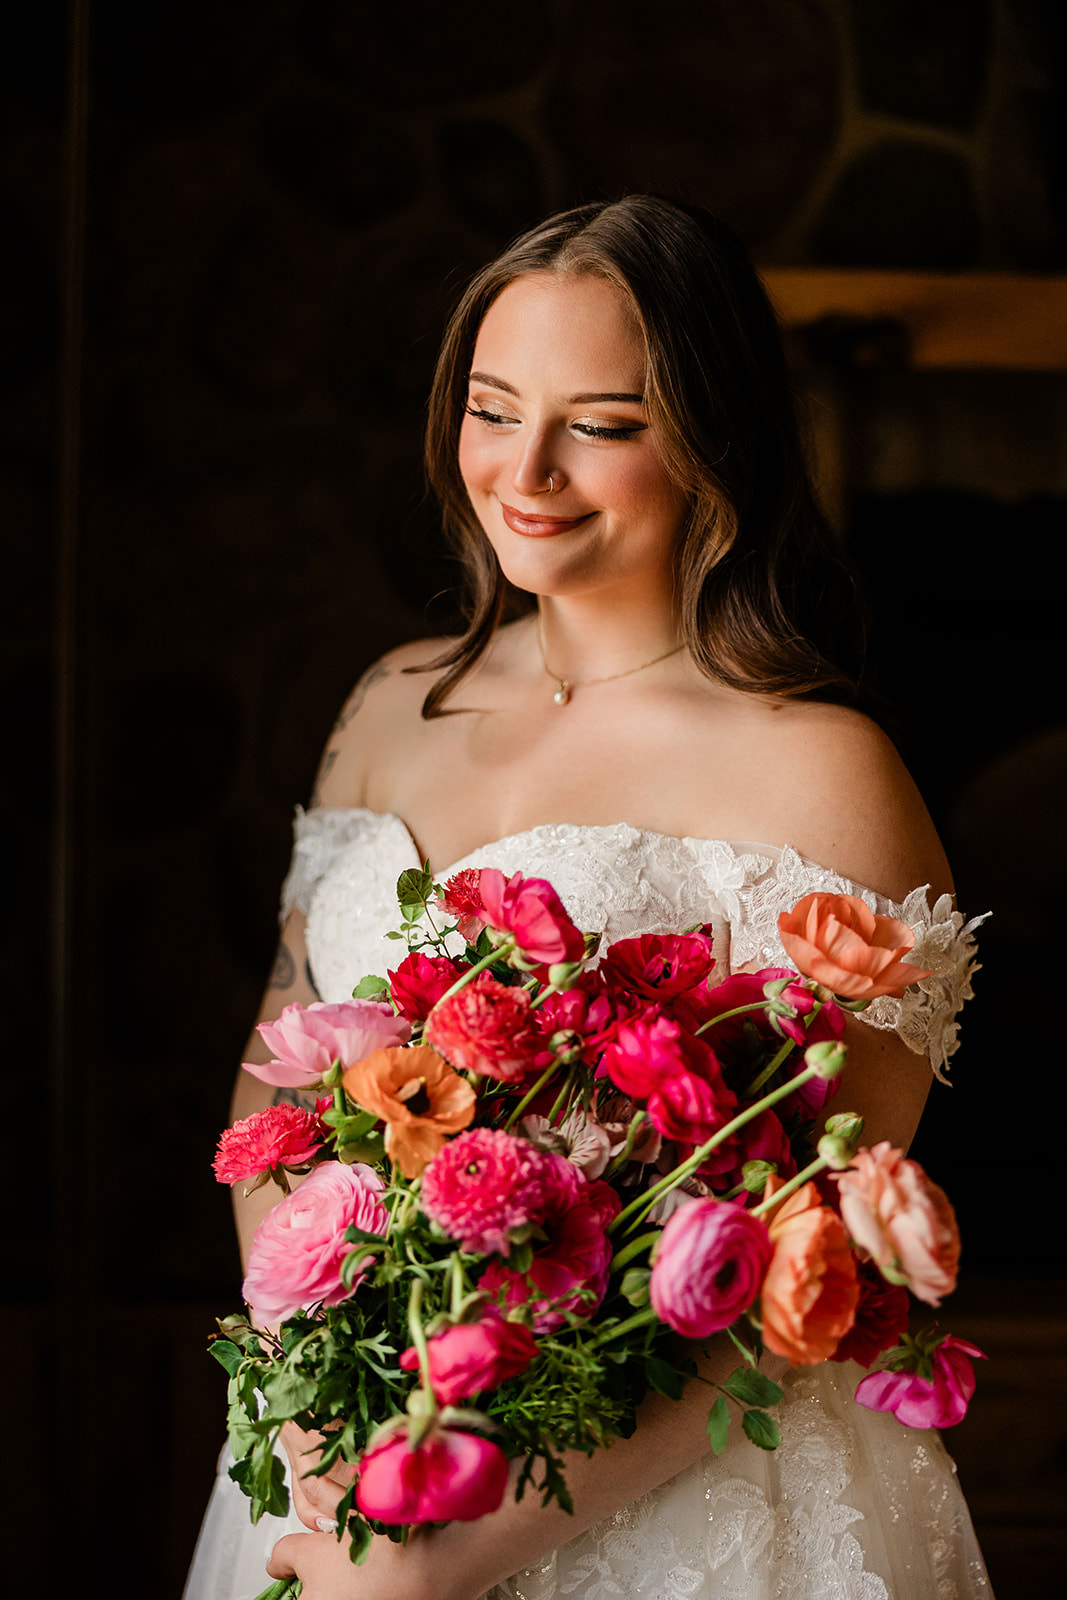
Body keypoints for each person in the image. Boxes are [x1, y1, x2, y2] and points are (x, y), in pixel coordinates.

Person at [184, 197, 992, 1599]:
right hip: (347, 1452)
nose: (527, 471)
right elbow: (277, 1092)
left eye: (603, 425)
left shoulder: (826, 772)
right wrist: (330, 1436)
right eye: (494, 410)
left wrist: (448, 1556)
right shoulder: (390, 701)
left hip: (678, 1503)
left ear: (713, 437)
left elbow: (817, 1266)